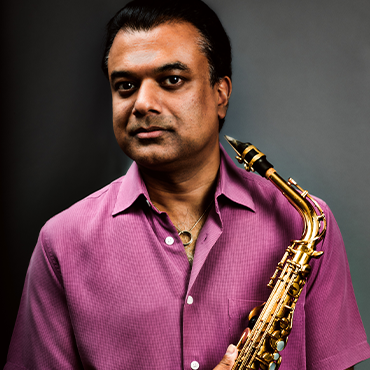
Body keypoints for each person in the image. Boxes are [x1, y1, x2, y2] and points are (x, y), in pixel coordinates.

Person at [5, 1, 370, 369]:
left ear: (220, 94)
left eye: (172, 80)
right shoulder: (61, 242)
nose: (143, 103)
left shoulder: (305, 222)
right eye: (126, 85)